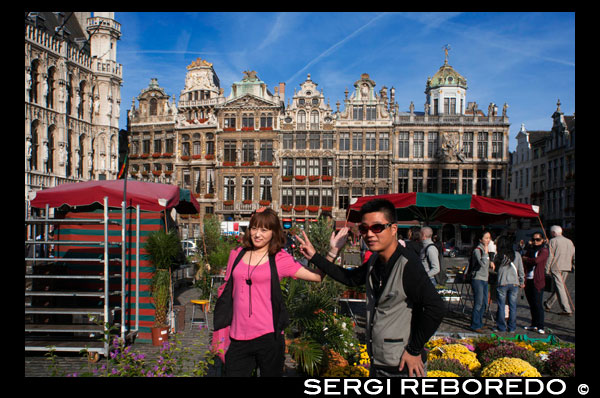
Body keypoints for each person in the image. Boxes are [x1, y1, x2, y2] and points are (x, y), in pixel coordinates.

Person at [296, 199, 446, 377]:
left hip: (402, 367)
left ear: (393, 229)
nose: (369, 234)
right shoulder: (375, 260)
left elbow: (436, 308)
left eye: (377, 228)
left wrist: (414, 350)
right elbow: (350, 279)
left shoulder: (408, 264)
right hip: (380, 362)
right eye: (364, 229)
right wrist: (315, 256)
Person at [218, 208, 326, 377]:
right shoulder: (237, 254)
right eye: (254, 228)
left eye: (264, 230)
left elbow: (317, 277)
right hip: (238, 336)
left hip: (268, 336)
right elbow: (225, 289)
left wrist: (326, 254)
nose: (257, 234)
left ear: (273, 233)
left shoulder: (279, 258)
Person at [492, 236, 525, 333]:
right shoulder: (517, 255)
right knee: (513, 306)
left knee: (501, 306)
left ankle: (501, 327)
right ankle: (512, 328)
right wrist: (522, 281)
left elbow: (495, 269)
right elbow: (521, 270)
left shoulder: (499, 256)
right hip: (514, 283)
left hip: (502, 282)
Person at [544, 226, 575, 316]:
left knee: (560, 288)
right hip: (566, 267)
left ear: (553, 232)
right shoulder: (569, 241)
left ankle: (567, 309)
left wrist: (546, 268)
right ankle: (549, 303)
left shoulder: (553, 241)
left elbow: (550, 256)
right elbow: (574, 255)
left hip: (556, 267)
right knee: (559, 287)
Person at [522, 232, 549, 334]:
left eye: (538, 240)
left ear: (542, 240)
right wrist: (528, 246)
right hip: (528, 278)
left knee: (538, 304)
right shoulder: (530, 250)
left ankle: (540, 325)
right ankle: (534, 324)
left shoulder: (544, 250)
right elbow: (523, 257)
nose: (535, 242)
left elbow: (537, 261)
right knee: (531, 303)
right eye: (533, 239)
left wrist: (527, 259)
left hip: (538, 280)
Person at [469, 231, 495, 333]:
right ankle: (475, 325)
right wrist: (486, 253)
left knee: (484, 303)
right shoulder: (478, 250)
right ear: (481, 240)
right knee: (478, 303)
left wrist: (491, 260)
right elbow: (483, 264)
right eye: (486, 238)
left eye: (489, 238)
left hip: (485, 279)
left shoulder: (486, 250)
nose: (488, 240)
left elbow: (487, 264)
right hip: (478, 279)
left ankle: (479, 322)